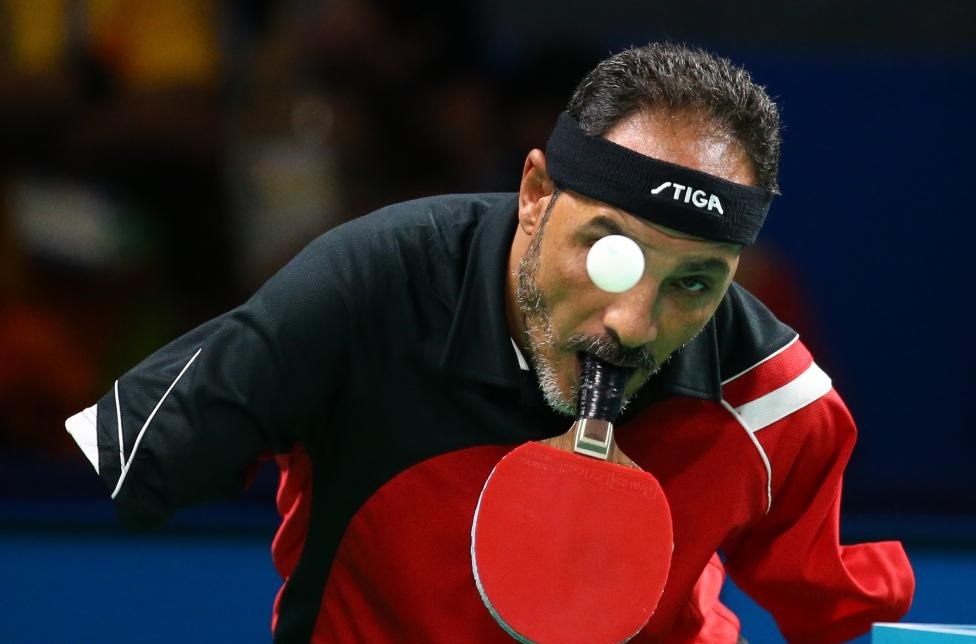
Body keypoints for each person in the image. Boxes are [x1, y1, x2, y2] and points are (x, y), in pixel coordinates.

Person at [65, 42, 914, 643]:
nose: (633, 324)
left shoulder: (771, 397)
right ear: (537, 193)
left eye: (694, 283)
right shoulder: (377, 289)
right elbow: (129, 454)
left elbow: (837, 605)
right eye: (611, 256)